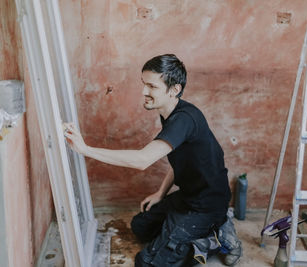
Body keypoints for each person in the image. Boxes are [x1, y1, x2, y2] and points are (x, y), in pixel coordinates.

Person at [63, 54, 241, 266]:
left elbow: (142, 160)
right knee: (140, 226)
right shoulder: (169, 112)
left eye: (152, 86)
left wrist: (85, 150)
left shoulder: (185, 119)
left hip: (207, 205)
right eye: (143, 84)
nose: (143, 92)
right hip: (187, 197)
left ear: (174, 89)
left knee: (147, 262)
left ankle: (216, 237)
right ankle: (181, 232)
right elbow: (181, 161)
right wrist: (160, 193)